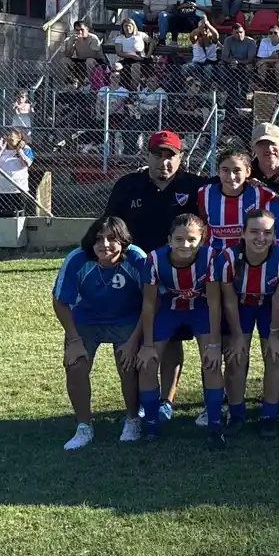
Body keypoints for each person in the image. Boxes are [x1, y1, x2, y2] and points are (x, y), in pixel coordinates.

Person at [102, 131, 206, 417]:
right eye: (157, 155)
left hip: (180, 278)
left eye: (170, 156)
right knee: (130, 336)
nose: (164, 162)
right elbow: (110, 227)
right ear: (147, 156)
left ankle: (165, 402)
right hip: (135, 275)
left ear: (181, 158)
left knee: (173, 338)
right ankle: (135, 406)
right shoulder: (128, 185)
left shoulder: (195, 186)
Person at [53, 216, 152, 449]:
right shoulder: (77, 259)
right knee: (75, 364)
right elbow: (60, 302)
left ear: (124, 241)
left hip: (127, 320)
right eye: (98, 239)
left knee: (127, 364)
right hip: (85, 321)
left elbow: (150, 303)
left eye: (112, 239)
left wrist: (134, 342)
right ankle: (84, 426)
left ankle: (132, 419)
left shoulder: (138, 258)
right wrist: (74, 340)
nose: (104, 244)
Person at [135, 214, 225, 448]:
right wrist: (146, 344)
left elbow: (215, 302)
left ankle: (215, 425)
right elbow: (148, 303)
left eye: (191, 240)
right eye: (179, 239)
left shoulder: (210, 257)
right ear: (169, 240)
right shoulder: (154, 259)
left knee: (212, 362)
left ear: (202, 241)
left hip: (200, 309)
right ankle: (151, 424)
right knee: (147, 362)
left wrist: (215, 345)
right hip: (168, 309)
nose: (185, 245)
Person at [213, 208, 279, 438]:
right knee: (236, 357)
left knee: (275, 357)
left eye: (267, 233)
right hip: (240, 306)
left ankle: (269, 414)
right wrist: (238, 336)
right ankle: (236, 413)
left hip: (269, 306)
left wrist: (276, 335)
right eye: (254, 232)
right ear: (243, 233)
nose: (261, 238)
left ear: (274, 235)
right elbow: (228, 299)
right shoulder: (227, 259)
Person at [196, 148, 276, 250]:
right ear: (218, 171)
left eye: (237, 170)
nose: (231, 176)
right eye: (225, 170)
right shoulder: (205, 193)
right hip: (215, 257)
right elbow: (203, 221)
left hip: (248, 258)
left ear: (247, 171)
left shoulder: (261, 193)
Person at [0, 127, 34, 217]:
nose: (6, 137)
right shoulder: (1, 149)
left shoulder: (26, 148)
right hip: (1, 189)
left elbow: (27, 163)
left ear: (18, 138)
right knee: (2, 214)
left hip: (18, 190)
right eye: (5, 135)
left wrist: (19, 151)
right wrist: (0, 149)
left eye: (9, 135)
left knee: (18, 215)